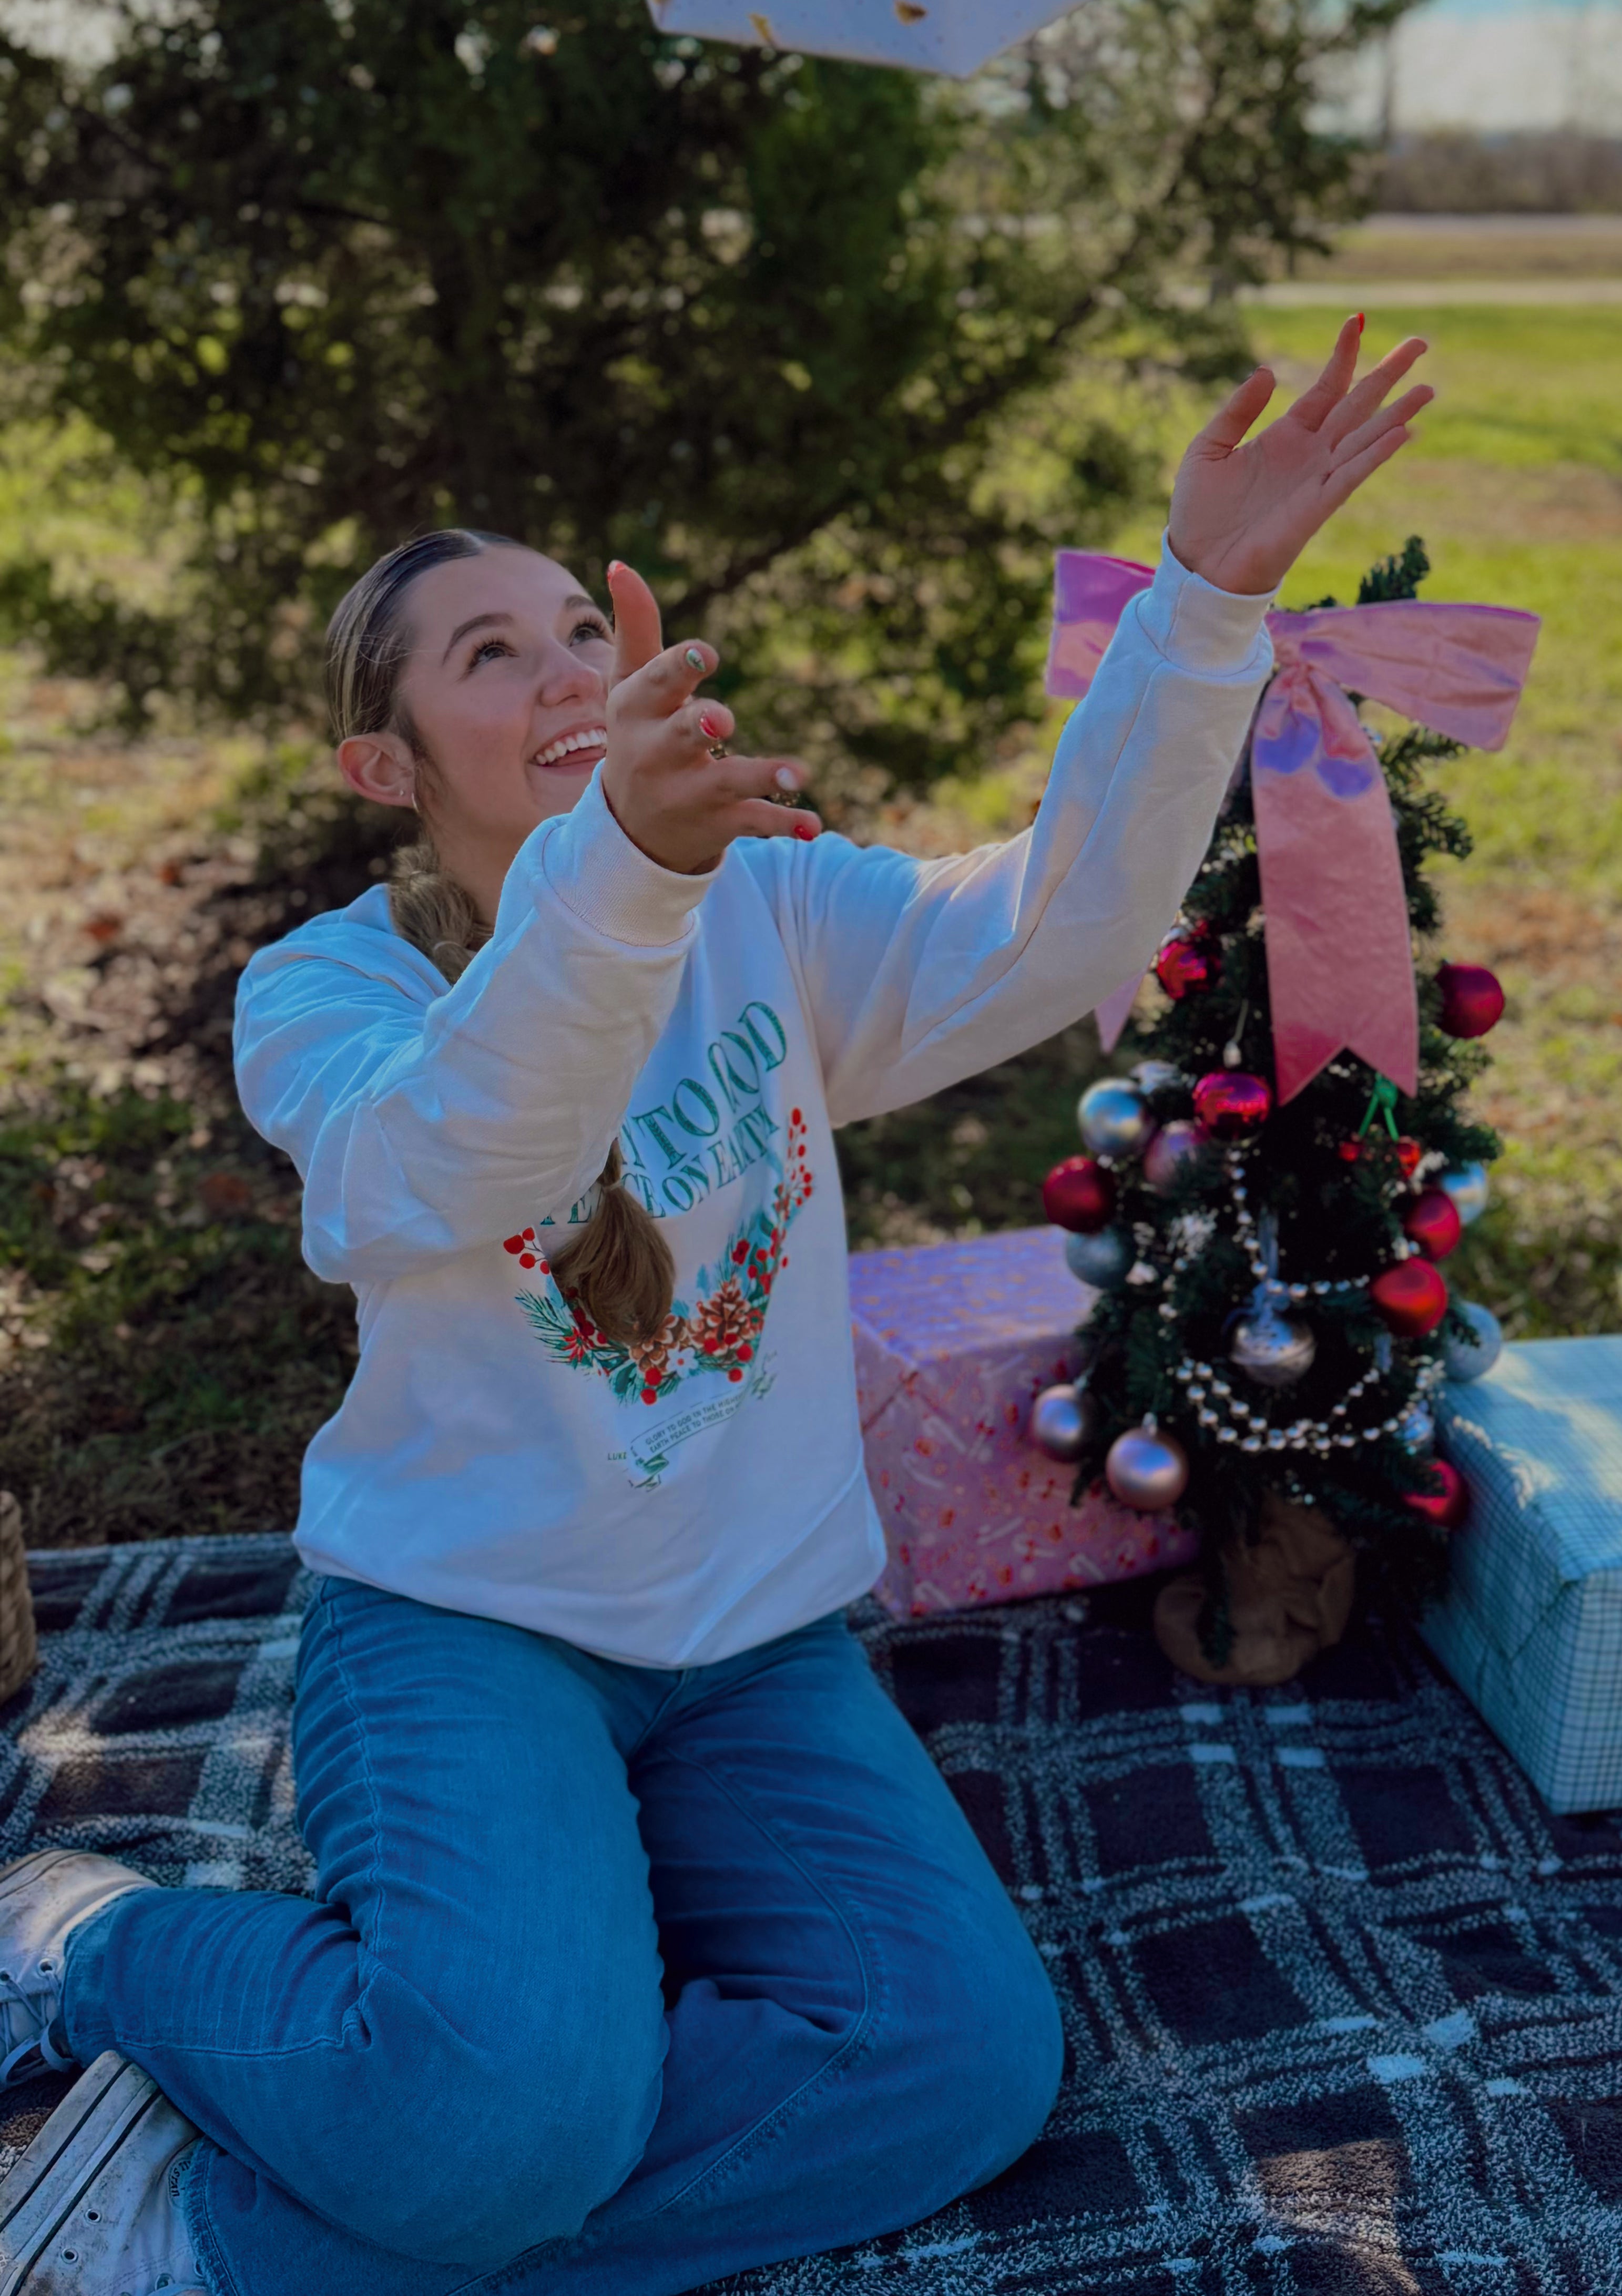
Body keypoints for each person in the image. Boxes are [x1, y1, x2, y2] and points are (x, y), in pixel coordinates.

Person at [0, 320, 1430, 2296]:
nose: (566, 669)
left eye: (578, 628)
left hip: (754, 1648)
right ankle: (108, 1944)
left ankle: (260, 2227)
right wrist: (627, 869)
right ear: (382, 765)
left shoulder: (754, 900)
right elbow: (461, 1161)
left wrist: (1203, 606)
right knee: (505, 2120)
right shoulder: (326, 997)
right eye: (489, 656)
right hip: (465, 1631)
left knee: (955, 2065)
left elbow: (1051, 928)